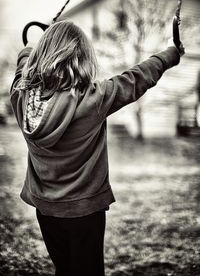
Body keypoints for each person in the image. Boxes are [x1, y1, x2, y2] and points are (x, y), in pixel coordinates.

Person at [10, 20, 183, 276]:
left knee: (64, 268)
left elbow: (22, 67)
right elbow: (137, 78)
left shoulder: (22, 96)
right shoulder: (95, 98)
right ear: (82, 58)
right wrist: (171, 53)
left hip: (45, 210)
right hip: (84, 213)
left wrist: (27, 48)